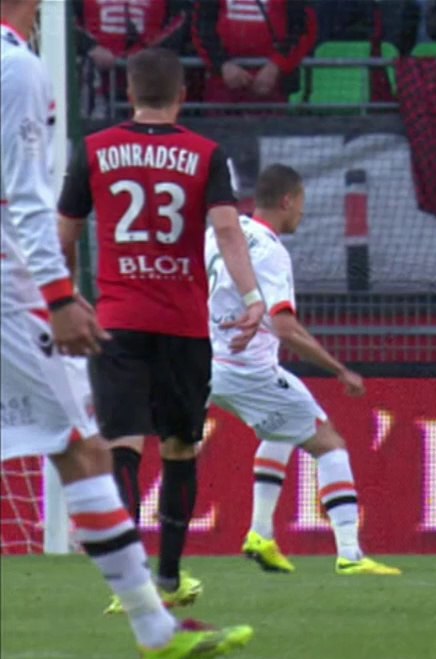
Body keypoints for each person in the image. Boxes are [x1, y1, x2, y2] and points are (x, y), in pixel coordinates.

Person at [2, 0, 252, 659]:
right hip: (116, 311)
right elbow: (25, 202)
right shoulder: (16, 69)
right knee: (99, 448)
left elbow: (58, 221)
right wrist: (57, 296)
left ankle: (153, 622)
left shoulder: (94, 147)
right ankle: (157, 611)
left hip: (117, 311)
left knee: (96, 447)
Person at [57, 47, 266, 613]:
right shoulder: (206, 154)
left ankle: (131, 585)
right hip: (182, 324)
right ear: (180, 96)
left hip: (118, 321)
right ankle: (170, 577)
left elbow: (64, 234)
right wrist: (252, 297)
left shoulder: (94, 150)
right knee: (179, 447)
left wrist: (63, 298)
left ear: (129, 92)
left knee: (122, 445)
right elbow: (227, 230)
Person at [205, 164, 401, 576]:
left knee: (283, 427)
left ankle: (260, 533)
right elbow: (285, 327)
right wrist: (339, 370)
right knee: (328, 442)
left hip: (205, 363)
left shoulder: (223, 233)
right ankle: (350, 554)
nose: (303, 215)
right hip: (247, 371)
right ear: (287, 201)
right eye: (302, 205)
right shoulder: (273, 251)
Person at [74, 0, 190, 118]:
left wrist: (150, 52)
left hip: (150, 76)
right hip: (96, 76)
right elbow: (62, 19)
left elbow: (182, 19)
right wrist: (91, 47)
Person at [192, 0, 318, 105]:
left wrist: (276, 66)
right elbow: (201, 26)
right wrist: (222, 65)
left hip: (273, 85)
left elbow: (303, 28)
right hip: (222, 85)